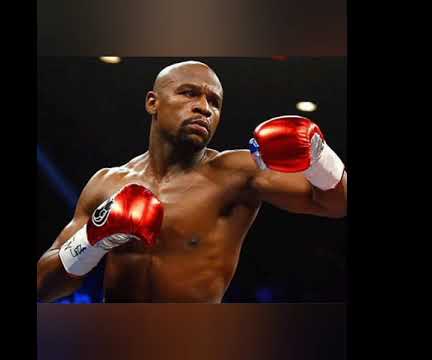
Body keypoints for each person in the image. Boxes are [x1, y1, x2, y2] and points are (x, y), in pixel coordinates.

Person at [37, 60, 347, 303]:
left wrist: (320, 158)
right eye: (189, 93)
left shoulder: (238, 172)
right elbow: (43, 287)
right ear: (152, 102)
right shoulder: (107, 182)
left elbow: (335, 205)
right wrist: (92, 238)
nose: (204, 108)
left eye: (214, 102)